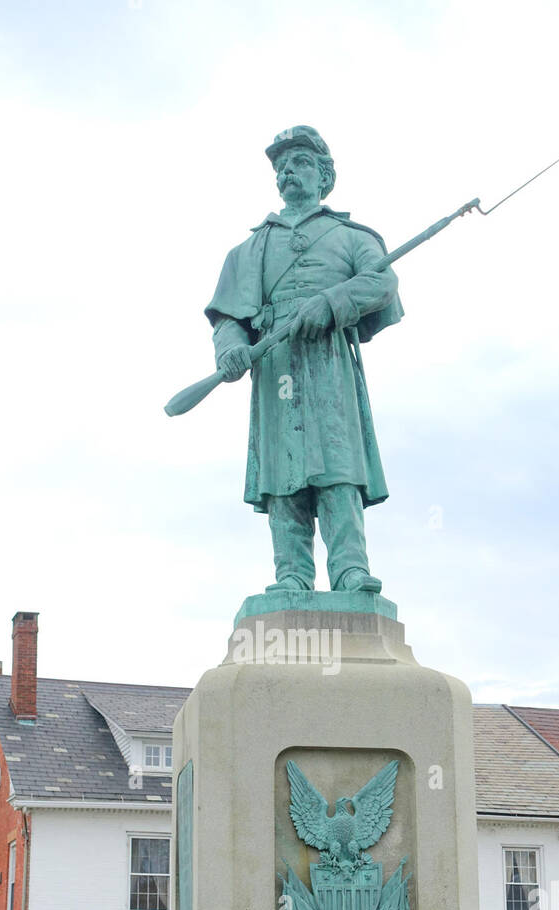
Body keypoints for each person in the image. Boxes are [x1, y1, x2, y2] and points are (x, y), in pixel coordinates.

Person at [205, 126, 403, 594]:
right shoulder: (251, 248)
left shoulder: (350, 237)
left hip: (328, 363)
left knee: (338, 467)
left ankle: (350, 569)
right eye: (281, 166)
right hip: (276, 368)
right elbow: (228, 319)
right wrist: (231, 350)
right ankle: (291, 574)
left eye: (300, 162)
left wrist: (333, 304)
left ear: (324, 175)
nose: (288, 172)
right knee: (284, 474)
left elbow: (382, 284)